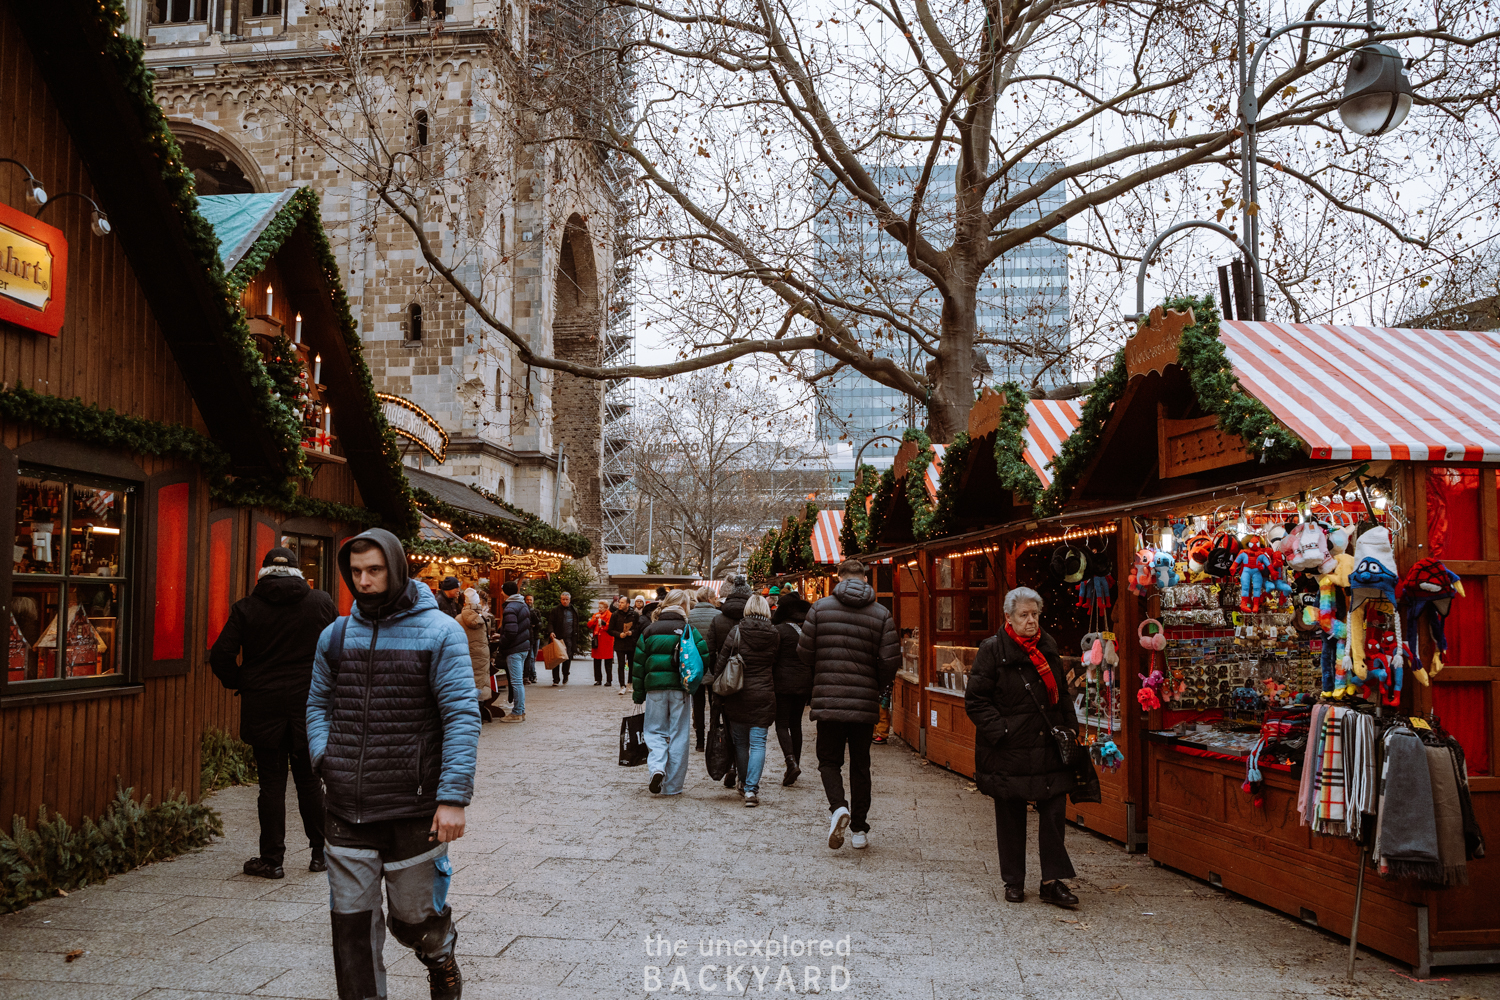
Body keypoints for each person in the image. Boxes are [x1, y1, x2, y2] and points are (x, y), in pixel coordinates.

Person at [306, 528, 479, 1000]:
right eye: (356, 572)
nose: (363, 581)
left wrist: (452, 798)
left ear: (397, 568)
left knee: (413, 920)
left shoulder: (441, 632)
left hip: (414, 808)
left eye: (374, 570)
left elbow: (461, 715)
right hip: (346, 810)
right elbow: (318, 702)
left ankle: (439, 953)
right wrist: (326, 758)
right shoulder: (336, 635)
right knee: (352, 935)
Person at [965, 586, 1098, 908]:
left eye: (1035, 615)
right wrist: (1003, 731)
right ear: (1008, 617)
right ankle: (1014, 880)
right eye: (1024, 615)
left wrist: (1071, 726)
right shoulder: (992, 651)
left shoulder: (1047, 647)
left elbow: (1062, 693)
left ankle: (1052, 882)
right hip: (1009, 749)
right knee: (1010, 815)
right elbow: (976, 701)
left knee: (1053, 814)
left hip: (1048, 746)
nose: (1031, 621)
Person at [210, 547, 337, 879]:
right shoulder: (320, 602)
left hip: (262, 705)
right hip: (308, 704)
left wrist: (241, 681)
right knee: (311, 782)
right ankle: (320, 854)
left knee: (271, 786)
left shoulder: (247, 608)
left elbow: (221, 654)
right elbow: (339, 648)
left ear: (264, 571)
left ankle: (272, 859)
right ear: (297, 572)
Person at [797, 559, 899, 851]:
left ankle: (839, 807)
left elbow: (804, 652)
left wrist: (823, 671)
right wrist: (875, 687)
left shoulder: (820, 608)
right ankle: (859, 829)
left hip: (828, 700)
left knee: (829, 761)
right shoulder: (881, 614)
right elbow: (890, 661)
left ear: (838, 577)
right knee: (861, 764)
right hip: (864, 702)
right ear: (865, 579)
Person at [631, 589, 707, 795]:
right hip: (680, 690)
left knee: (654, 731)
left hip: (654, 689)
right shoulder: (689, 630)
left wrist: (638, 693)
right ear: (684, 606)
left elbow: (638, 665)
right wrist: (694, 682)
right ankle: (672, 786)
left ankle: (657, 767)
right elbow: (703, 657)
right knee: (679, 735)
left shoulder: (650, 630)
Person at [715, 593, 780, 806]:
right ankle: (752, 790)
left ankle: (744, 783)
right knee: (759, 742)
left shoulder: (737, 632)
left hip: (738, 693)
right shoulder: (774, 634)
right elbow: (776, 664)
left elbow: (722, 662)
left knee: (741, 743)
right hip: (764, 693)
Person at [707, 577, 752, 787]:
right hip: (749, 680)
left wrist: (717, 674)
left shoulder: (718, 619)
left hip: (723, 680)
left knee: (725, 723)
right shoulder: (754, 619)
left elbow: (710, 650)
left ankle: (730, 765)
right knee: (743, 728)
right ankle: (739, 767)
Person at [770, 590, 813, 786]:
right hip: (803, 683)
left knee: (781, 724)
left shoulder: (778, 631)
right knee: (796, 725)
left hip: (782, 684)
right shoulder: (806, 631)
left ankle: (790, 760)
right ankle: (796, 762)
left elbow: (773, 659)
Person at [686, 586, 722, 751]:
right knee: (715, 703)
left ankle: (700, 741)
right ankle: (714, 736)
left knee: (698, 704)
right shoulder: (718, 616)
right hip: (714, 665)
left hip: (695, 665)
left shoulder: (689, 616)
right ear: (709, 599)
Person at [457, 588, 495, 722]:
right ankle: (479, 713)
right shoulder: (484, 617)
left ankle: (469, 714)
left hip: (466, 654)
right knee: (481, 682)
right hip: (482, 654)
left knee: (468, 682)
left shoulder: (458, 619)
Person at [496, 581, 531, 723]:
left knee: (516, 682)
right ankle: (520, 710)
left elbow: (511, 631)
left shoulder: (510, 607)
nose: (501, 593)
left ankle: (517, 712)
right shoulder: (523, 605)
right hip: (523, 647)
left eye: (502, 590)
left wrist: (501, 642)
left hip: (514, 649)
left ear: (506, 592)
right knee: (518, 681)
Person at [610, 596, 641, 696]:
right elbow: (610, 630)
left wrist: (631, 632)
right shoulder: (615, 615)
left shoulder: (634, 614)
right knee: (621, 664)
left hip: (631, 643)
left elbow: (638, 628)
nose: (620, 604)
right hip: (620, 643)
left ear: (628, 604)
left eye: (622, 603)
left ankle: (630, 683)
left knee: (631, 664)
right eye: (619, 602)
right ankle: (622, 685)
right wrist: (619, 634)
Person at [547, 591, 578, 685]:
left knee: (567, 658)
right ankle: (555, 679)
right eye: (563, 599)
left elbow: (576, 624)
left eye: (566, 599)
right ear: (560, 600)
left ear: (569, 600)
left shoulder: (574, 610)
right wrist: (551, 632)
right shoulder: (555, 610)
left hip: (569, 638)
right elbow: (550, 622)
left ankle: (565, 676)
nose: (565, 601)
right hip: (558, 638)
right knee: (556, 658)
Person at [589, 600, 616, 685]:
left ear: (606, 607)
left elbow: (611, 626)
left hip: (607, 641)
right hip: (597, 641)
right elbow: (589, 625)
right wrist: (594, 620)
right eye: (599, 607)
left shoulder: (610, 615)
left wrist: (604, 624)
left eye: (601, 607)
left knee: (608, 662)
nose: (599, 609)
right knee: (596, 661)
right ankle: (598, 679)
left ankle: (609, 680)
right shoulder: (596, 615)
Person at [524, 594, 541, 685]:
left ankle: (531, 674)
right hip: (529, 637)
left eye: (530, 600)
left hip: (536, 636)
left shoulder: (536, 611)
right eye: (527, 600)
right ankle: (532, 674)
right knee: (530, 657)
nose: (529, 601)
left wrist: (535, 626)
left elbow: (539, 624)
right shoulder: (525, 611)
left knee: (533, 657)